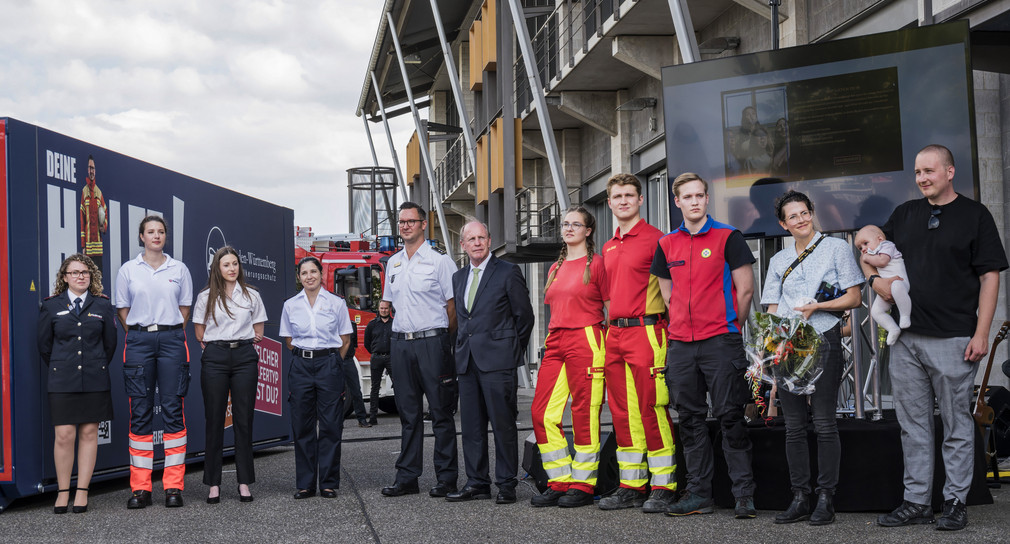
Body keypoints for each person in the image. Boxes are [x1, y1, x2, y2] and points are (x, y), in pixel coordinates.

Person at [869, 144, 1007, 531]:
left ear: (949, 172)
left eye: (929, 170)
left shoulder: (975, 215)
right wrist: (874, 280)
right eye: (917, 172)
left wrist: (982, 332)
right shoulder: (904, 214)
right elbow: (871, 250)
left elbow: (990, 276)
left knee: (956, 425)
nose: (922, 178)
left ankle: (955, 502)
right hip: (906, 340)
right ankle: (916, 502)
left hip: (954, 338)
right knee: (912, 426)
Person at [650, 172, 757, 518]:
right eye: (687, 197)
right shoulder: (666, 244)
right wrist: (682, 323)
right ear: (677, 201)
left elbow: (745, 291)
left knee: (731, 416)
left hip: (721, 341)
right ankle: (699, 494)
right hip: (681, 346)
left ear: (707, 199)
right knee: (691, 420)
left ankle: (744, 495)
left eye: (700, 195)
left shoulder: (729, 237)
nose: (694, 201)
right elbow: (667, 294)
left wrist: (729, 328)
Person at [760, 190, 863, 525]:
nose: (801, 220)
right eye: (793, 216)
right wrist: (769, 348)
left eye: (805, 213)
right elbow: (773, 309)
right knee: (792, 426)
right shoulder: (778, 261)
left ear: (812, 212)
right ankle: (800, 496)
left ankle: (825, 498)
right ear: (783, 224)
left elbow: (854, 297)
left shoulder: (836, 248)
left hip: (824, 339)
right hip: (788, 347)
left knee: (823, 423)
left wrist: (818, 305)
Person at [596, 174, 677, 513]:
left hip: (647, 330)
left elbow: (673, 292)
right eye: (618, 196)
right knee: (622, 412)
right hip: (614, 333)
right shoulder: (608, 245)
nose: (624, 200)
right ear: (610, 203)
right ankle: (631, 484)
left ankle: (664, 485)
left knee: (652, 407)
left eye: (630, 195)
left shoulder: (658, 240)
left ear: (641, 200)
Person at [447, 221, 534, 505]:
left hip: (498, 363)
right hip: (468, 363)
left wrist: (510, 351)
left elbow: (525, 317)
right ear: (463, 245)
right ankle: (477, 483)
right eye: (470, 239)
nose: (476, 243)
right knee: (471, 428)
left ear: (489, 239)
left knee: (503, 426)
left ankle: (506, 484)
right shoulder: (458, 278)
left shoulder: (508, 271)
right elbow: (463, 320)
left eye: (481, 237)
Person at [530, 206, 609, 508]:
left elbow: (611, 309)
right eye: (565, 224)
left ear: (588, 231)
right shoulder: (555, 267)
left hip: (587, 337)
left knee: (584, 412)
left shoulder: (598, 265)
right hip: (556, 340)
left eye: (576, 224)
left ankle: (584, 483)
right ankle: (559, 478)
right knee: (542, 414)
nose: (569, 228)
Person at [380, 202, 459, 498]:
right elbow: (389, 305)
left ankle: (447, 478)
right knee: (408, 415)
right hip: (401, 343)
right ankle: (407, 478)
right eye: (401, 222)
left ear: (424, 224)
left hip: (432, 343)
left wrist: (440, 339)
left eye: (411, 221)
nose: (405, 226)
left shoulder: (440, 261)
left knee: (440, 412)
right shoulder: (394, 263)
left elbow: (452, 307)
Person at [115, 215, 193, 509]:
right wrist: (141, 333)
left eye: (161, 232)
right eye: (151, 231)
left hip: (172, 340)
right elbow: (122, 309)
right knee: (140, 412)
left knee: (173, 410)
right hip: (138, 341)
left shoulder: (179, 269)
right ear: (141, 237)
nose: (156, 236)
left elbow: (184, 307)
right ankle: (141, 488)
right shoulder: (128, 270)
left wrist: (168, 331)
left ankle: (173, 486)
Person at [38, 254, 117, 514]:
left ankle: (82, 491)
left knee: (88, 434)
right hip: (62, 379)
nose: (80, 276)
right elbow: (45, 346)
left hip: (95, 377)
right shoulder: (51, 306)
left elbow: (110, 344)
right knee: (64, 435)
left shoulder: (103, 305)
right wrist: (65, 365)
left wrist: (94, 365)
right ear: (64, 277)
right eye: (74, 272)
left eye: (85, 272)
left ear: (91, 276)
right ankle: (63, 491)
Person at [192, 246, 267, 504]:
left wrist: (244, 342)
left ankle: (244, 482)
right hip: (215, 358)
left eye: (235, 263)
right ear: (217, 268)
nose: (232, 268)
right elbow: (199, 332)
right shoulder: (205, 297)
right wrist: (217, 346)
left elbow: (259, 328)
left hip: (245, 357)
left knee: (243, 420)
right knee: (214, 420)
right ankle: (213, 483)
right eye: (226, 265)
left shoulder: (251, 295)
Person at [279, 256, 353, 500]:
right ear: (299, 277)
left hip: (328, 365)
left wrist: (332, 362)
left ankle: (328, 483)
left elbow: (345, 339)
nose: (309, 276)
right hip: (301, 365)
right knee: (302, 426)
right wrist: (306, 357)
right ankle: (305, 484)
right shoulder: (290, 305)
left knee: (331, 426)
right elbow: (289, 341)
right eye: (304, 273)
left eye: (313, 271)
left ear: (321, 274)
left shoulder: (336, 303)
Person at [855, 225, 911, 346]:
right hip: (886, 288)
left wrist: (867, 258)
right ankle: (892, 328)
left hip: (900, 283)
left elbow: (882, 261)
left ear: (880, 239)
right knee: (875, 311)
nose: (863, 249)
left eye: (866, 243)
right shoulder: (872, 253)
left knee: (897, 286)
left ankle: (905, 315)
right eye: (860, 248)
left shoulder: (887, 245)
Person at [364, 300, 394, 425]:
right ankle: (373, 417)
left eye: (386, 308)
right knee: (375, 387)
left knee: (398, 386)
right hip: (376, 358)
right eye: (381, 308)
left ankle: (404, 415)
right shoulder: (372, 324)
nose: (384, 310)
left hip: (391, 357)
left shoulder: (395, 324)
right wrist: (375, 353)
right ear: (378, 309)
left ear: (390, 309)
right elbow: (367, 343)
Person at [79, 155, 108, 274]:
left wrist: (104, 226)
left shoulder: (99, 192)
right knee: (87, 277)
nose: (91, 171)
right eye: (90, 168)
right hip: (88, 245)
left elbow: (105, 213)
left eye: (93, 168)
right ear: (87, 169)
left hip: (98, 247)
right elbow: (82, 220)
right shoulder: (84, 192)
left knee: (98, 277)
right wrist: (83, 245)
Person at [341, 319, 371, 427]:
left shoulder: (352, 324)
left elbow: (353, 344)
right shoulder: (330, 322)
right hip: (334, 359)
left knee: (356, 390)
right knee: (335, 393)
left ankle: (362, 419)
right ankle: (338, 421)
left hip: (348, 360)